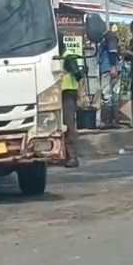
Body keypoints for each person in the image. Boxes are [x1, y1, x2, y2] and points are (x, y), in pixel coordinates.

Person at [59, 33, 84, 168]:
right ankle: (64, 155)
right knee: (61, 125)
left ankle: (73, 157)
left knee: (68, 125)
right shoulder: (59, 56)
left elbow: (78, 74)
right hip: (60, 94)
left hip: (68, 93)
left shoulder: (68, 56)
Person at [98, 25, 122, 128]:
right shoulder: (111, 38)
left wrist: (112, 67)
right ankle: (113, 121)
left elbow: (112, 52)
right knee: (113, 95)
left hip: (108, 69)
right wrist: (114, 67)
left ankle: (108, 121)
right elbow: (113, 52)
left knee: (107, 95)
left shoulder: (107, 38)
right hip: (111, 69)